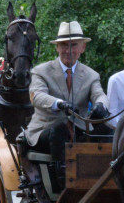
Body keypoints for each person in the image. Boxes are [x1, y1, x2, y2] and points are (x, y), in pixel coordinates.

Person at [23, 21, 110, 188]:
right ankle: (63, 182)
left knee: (108, 131)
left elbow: (99, 94)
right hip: (45, 130)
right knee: (58, 129)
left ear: (83, 48)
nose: (68, 50)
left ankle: (108, 180)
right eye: (64, 45)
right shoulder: (40, 71)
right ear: (57, 47)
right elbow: (37, 96)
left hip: (78, 130)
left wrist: (101, 105)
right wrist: (60, 104)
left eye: (74, 45)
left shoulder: (91, 75)